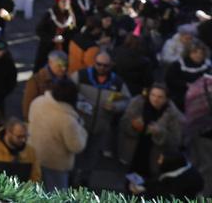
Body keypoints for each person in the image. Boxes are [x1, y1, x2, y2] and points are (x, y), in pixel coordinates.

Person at [72, 49, 132, 185]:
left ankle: (83, 182)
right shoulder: (81, 76)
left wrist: (116, 107)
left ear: (111, 65)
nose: (101, 68)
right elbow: (68, 91)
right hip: (80, 125)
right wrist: (79, 101)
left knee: (92, 156)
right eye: (99, 64)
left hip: (101, 126)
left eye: (105, 65)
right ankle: (71, 179)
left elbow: (127, 100)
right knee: (76, 153)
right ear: (94, 63)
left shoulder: (117, 82)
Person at [27, 76, 87, 191]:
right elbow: (76, 146)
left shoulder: (37, 102)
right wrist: (82, 128)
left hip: (34, 156)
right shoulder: (68, 120)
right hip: (56, 165)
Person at [119, 84, 184, 180]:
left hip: (154, 158)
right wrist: (133, 126)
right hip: (134, 152)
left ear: (166, 99)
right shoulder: (137, 104)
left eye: (160, 97)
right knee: (129, 183)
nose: (155, 99)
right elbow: (123, 124)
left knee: (147, 186)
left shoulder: (173, 115)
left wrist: (160, 132)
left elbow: (175, 141)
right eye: (152, 95)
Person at [129, 150, 206, 197]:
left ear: (170, 163)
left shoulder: (176, 184)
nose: (158, 161)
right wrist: (143, 184)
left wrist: (140, 192)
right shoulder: (179, 170)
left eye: (161, 159)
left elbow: (160, 194)